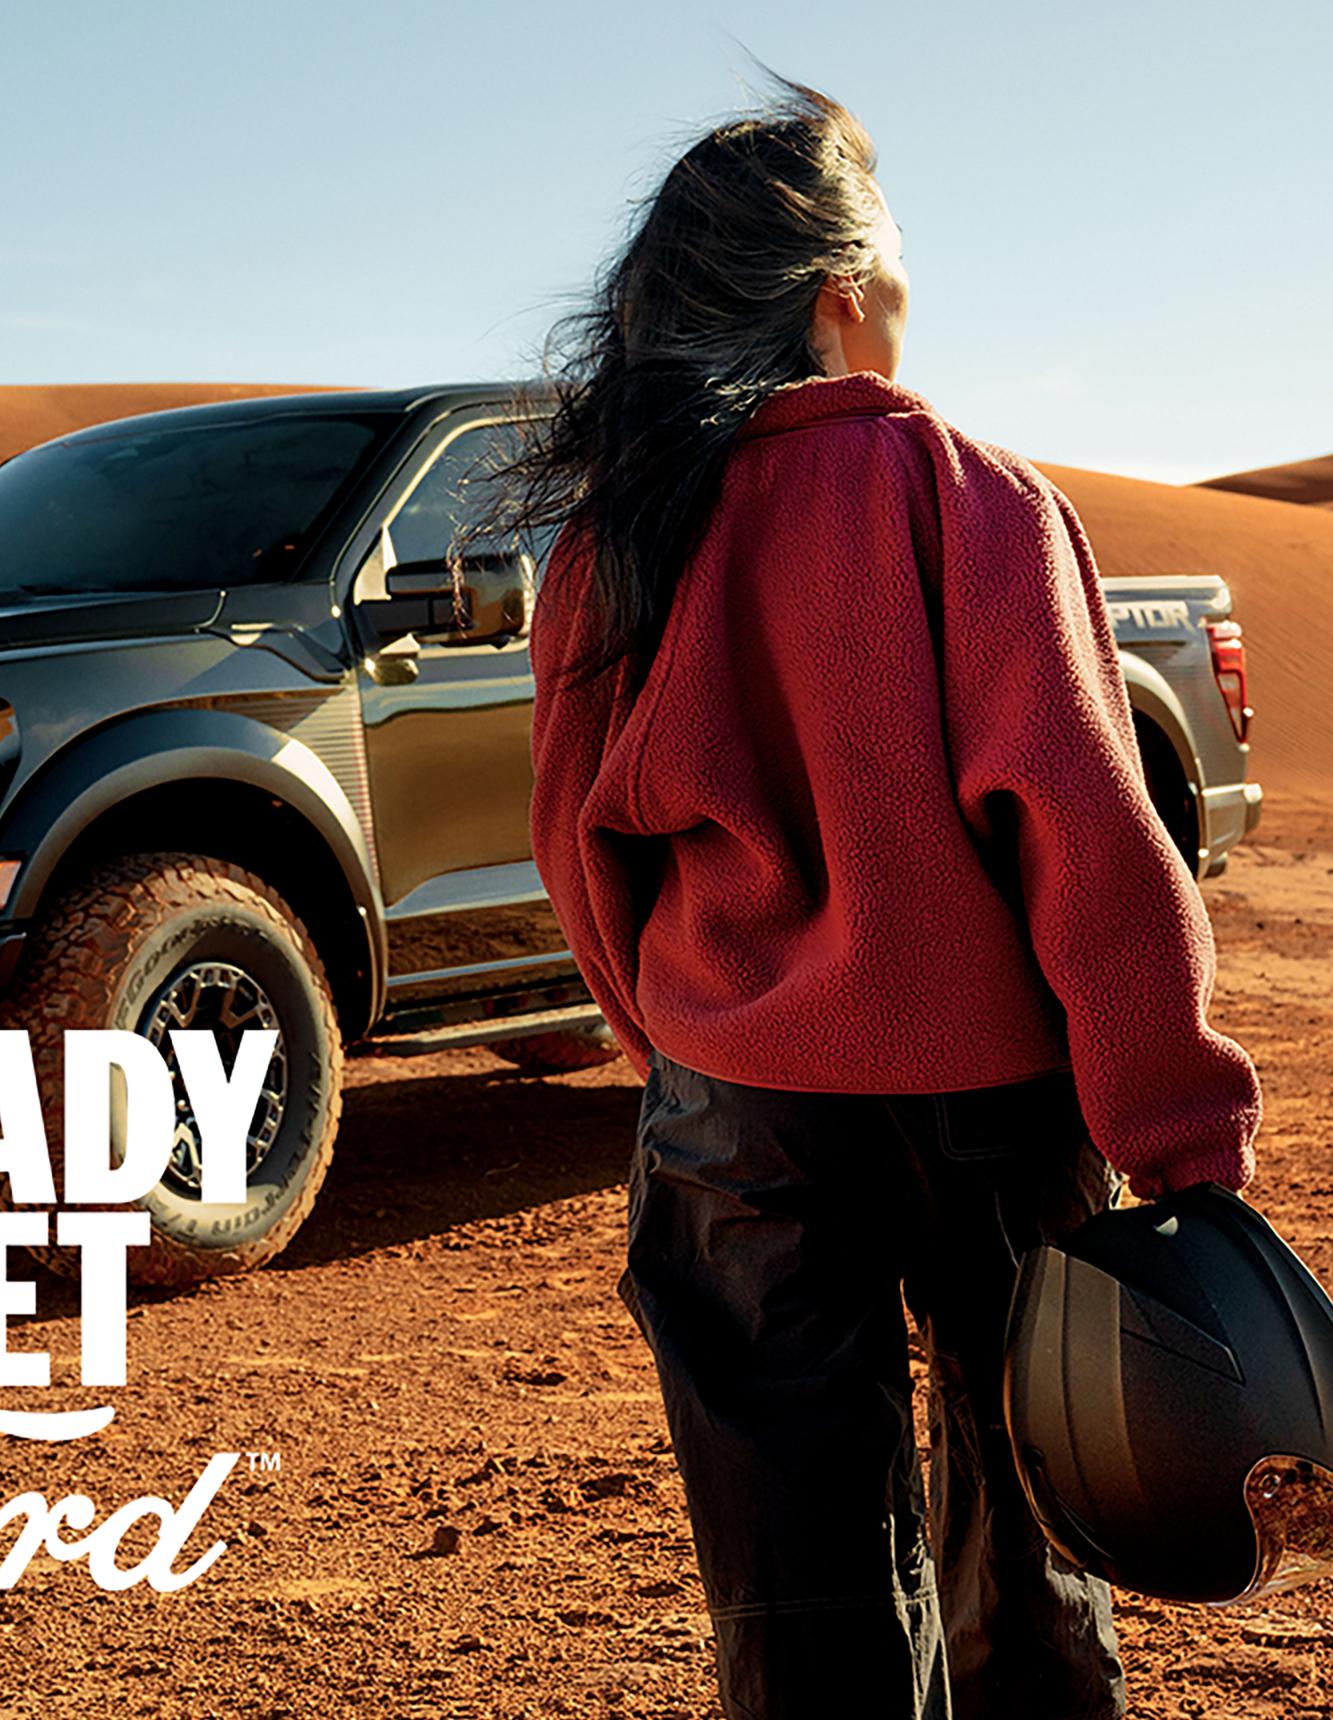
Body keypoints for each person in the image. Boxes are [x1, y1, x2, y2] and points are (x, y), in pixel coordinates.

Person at [463, 67, 1264, 1720]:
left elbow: (573, 838)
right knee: (1034, 1535)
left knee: (791, 1587)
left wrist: (675, 1040)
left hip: (732, 1110)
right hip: (991, 1110)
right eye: (898, 251)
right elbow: (1090, 837)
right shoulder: (967, 494)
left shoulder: (620, 529)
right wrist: (1181, 1143)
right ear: (841, 295)